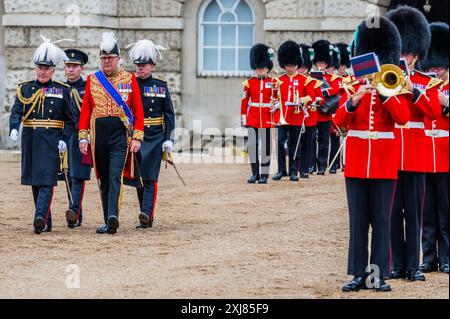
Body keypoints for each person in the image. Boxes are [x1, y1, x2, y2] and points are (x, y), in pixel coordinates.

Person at [336, 17, 410, 292]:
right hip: (356, 164)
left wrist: (386, 94)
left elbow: (402, 117)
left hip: (383, 164)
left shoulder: (394, 85)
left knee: (381, 220)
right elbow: (338, 121)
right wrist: (353, 101)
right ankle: (358, 274)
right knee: (358, 222)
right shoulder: (354, 87)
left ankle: (376, 275)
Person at [387, 6, 442, 281]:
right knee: (395, 214)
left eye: (408, 53)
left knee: (416, 215)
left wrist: (414, 90)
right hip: (393, 155)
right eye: (401, 51)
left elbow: (433, 111)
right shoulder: (388, 80)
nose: (403, 57)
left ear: (417, 54)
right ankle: (397, 265)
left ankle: (414, 265)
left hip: (418, 157)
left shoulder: (426, 82)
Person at [78, 32, 144, 234]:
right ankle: (108, 220)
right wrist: (83, 136)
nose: (107, 61)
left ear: (118, 59)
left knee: (116, 175)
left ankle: (113, 215)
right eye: (104, 58)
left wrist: (137, 137)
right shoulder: (92, 80)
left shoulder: (129, 79)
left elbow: (138, 111)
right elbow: (86, 110)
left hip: (120, 134)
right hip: (99, 135)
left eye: (110, 58)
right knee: (103, 177)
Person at [9, 35, 74, 234]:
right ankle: (46, 220)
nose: (43, 72)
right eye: (40, 68)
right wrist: (13, 127)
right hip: (31, 139)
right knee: (35, 181)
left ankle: (39, 216)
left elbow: (70, 120)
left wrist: (64, 139)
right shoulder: (25, 88)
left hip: (51, 141)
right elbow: (17, 111)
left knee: (47, 179)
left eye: (46, 69)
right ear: (36, 68)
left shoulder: (62, 90)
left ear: (53, 70)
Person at [125, 39, 175, 229]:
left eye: (143, 65)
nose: (139, 68)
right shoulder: (129, 85)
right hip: (136, 137)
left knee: (150, 177)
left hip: (154, 137)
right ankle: (146, 214)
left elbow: (168, 114)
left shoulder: (161, 86)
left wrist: (169, 138)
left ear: (152, 65)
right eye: (137, 65)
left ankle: (146, 213)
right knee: (138, 178)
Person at [419, 22, 449, 275]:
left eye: (439, 66)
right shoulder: (422, 87)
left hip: (447, 155)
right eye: (432, 66)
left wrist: (446, 102)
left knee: (446, 211)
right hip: (425, 155)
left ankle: (447, 257)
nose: (435, 70)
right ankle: (429, 257)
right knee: (426, 211)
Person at [272, 41, 314, 182]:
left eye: (292, 65)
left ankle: (293, 171)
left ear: (297, 64)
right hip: (282, 116)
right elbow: (274, 97)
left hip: (296, 116)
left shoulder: (305, 80)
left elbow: (311, 97)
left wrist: (301, 100)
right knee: (280, 143)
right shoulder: (279, 80)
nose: (289, 68)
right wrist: (275, 103)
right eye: (287, 65)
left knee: (294, 145)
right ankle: (281, 170)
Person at [241, 44, 277, 184]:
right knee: (252, 146)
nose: (259, 70)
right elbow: (244, 102)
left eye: (261, 68)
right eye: (257, 68)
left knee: (266, 148)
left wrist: (276, 106)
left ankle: (264, 174)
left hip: (267, 118)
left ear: (267, 67)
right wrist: (244, 118)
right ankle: (255, 173)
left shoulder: (274, 82)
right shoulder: (249, 83)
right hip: (253, 118)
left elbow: (278, 99)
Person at [63, 48, 91, 229]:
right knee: (67, 176)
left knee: (78, 175)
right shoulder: (60, 89)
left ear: (81, 69)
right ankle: (76, 212)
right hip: (65, 136)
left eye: (74, 66)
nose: (71, 70)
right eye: (68, 66)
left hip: (83, 135)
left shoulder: (88, 88)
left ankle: (73, 210)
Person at [311, 40, 342, 175]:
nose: (320, 66)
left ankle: (322, 165)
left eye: (323, 63)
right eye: (318, 63)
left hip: (325, 114)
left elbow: (336, 89)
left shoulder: (332, 78)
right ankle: (312, 165)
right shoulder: (310, 77)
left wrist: (324, 92)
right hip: (314, 113)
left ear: (327, 64)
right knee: (312, 140)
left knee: (324, 140)